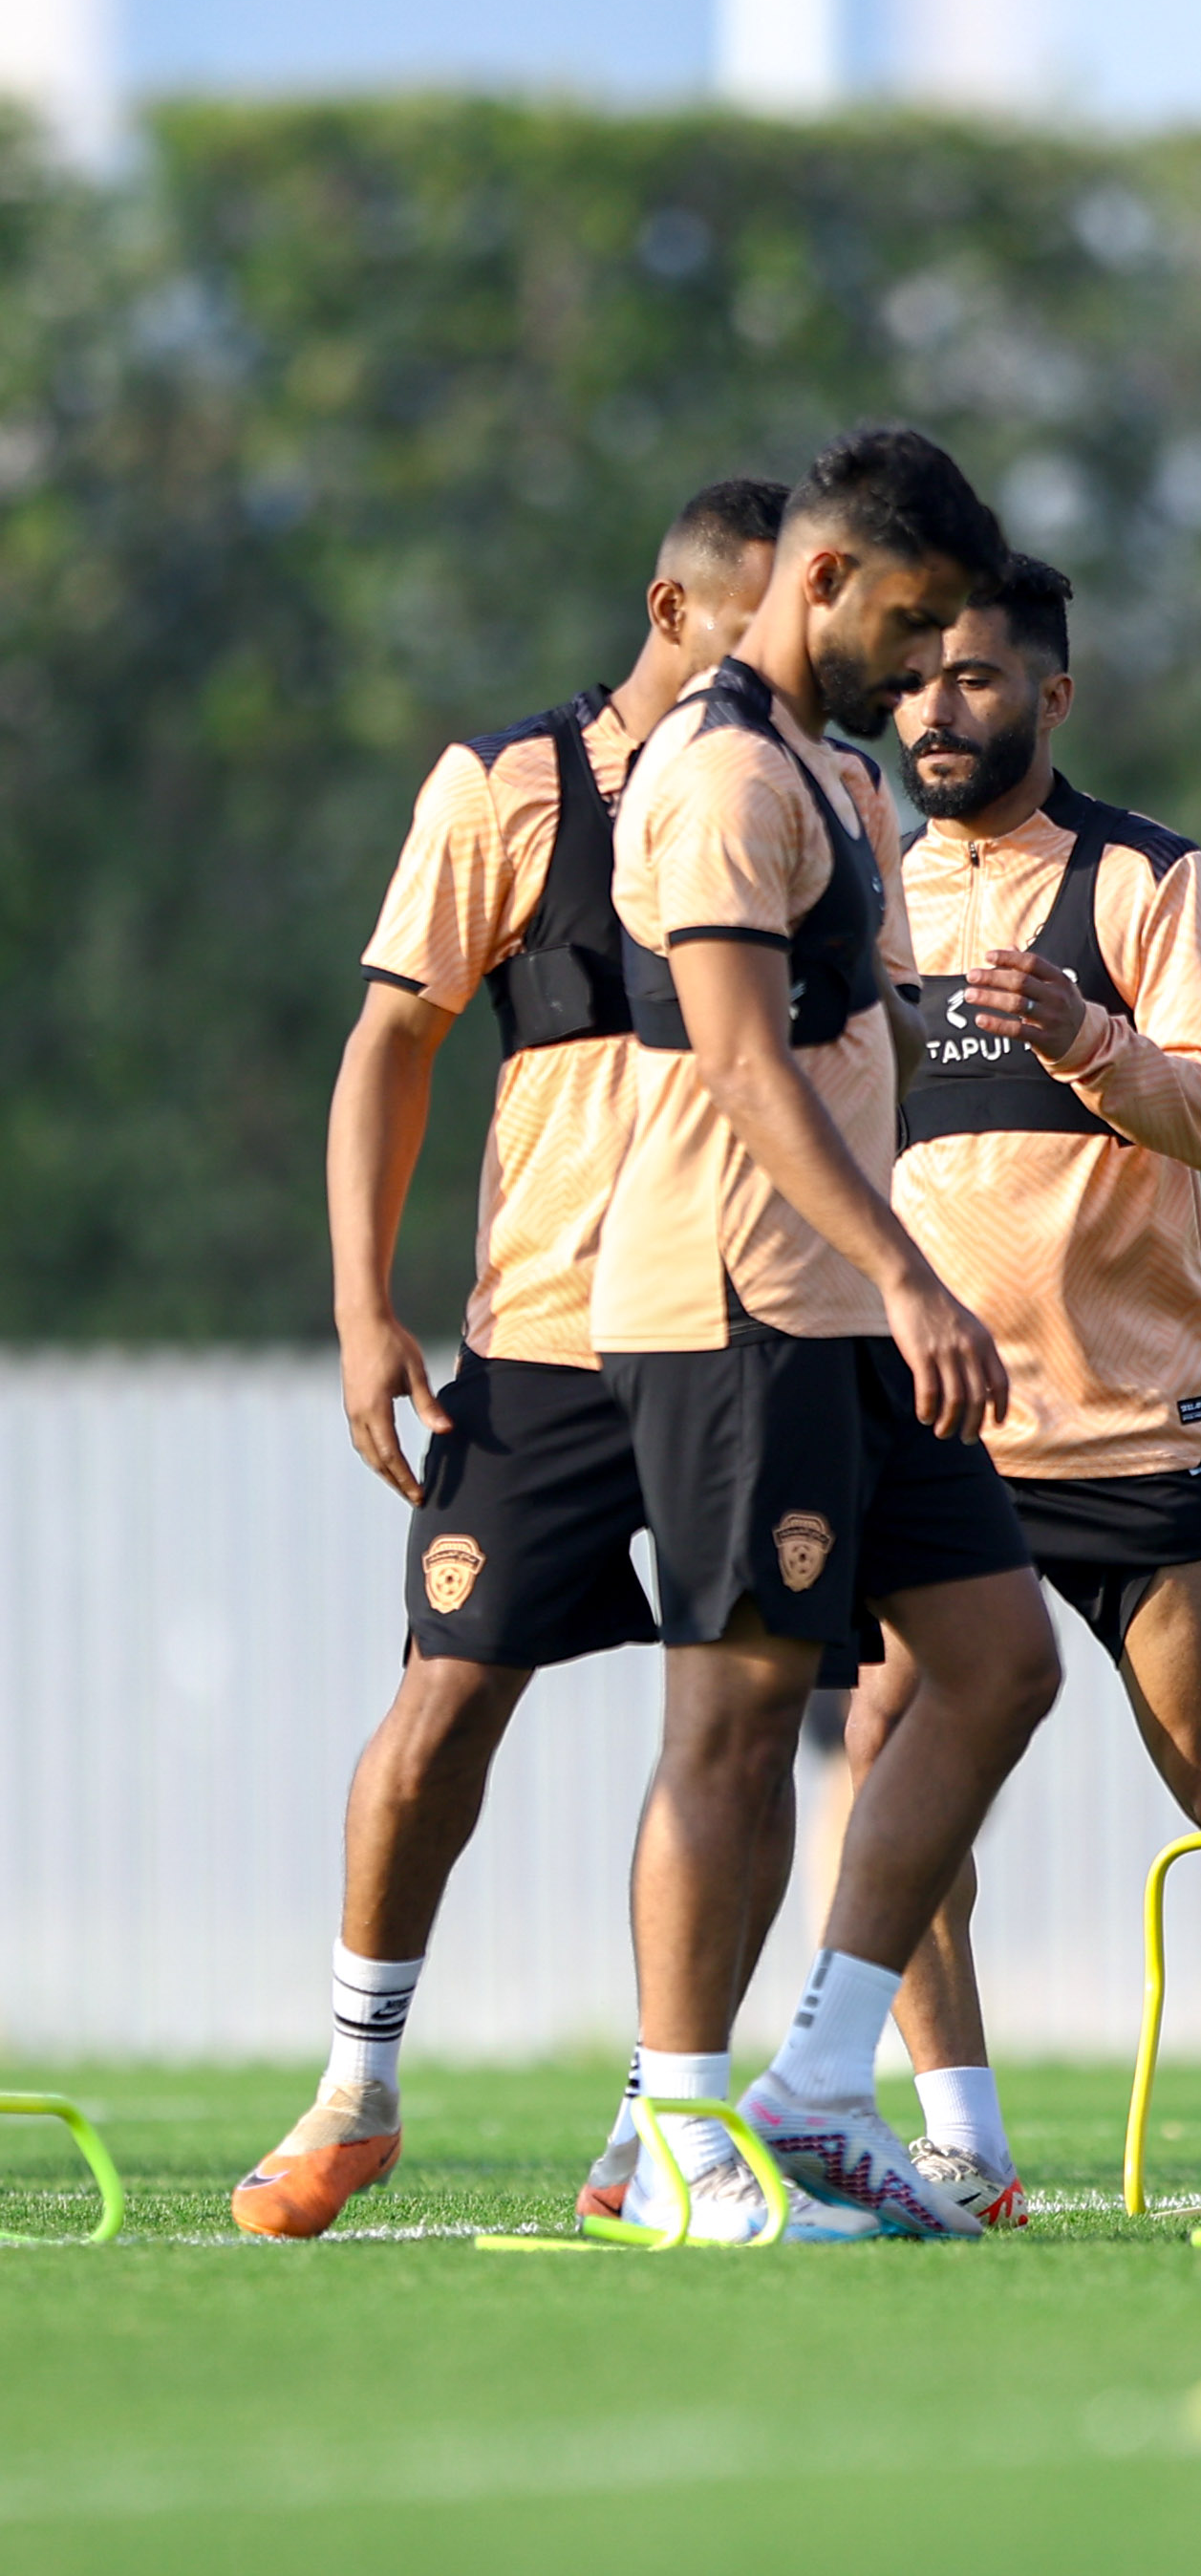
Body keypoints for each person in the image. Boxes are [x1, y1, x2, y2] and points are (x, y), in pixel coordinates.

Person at [232, 479, 789, 2240]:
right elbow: (389, 1037)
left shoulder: (808, 794)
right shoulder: (509, 787)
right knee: (441, 1700)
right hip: (545, 1338)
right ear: (674, 610)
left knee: (743, 1714)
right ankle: (357, 2078)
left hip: (749, 1328)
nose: (787, 667)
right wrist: (358, 1299)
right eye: (758, 629)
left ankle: (661, 2115)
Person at [852, 553, 1201, 2232]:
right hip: (942, 1427)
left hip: (1132, 1418)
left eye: (971, 679)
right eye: (911, 682)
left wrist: (1093, 1037)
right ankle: (962, 2139)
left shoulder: (1144, 878)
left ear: (1050, 694)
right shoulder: (867, 888)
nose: (936, 713)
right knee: (895, 1772)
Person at [593, 425, 1066, 2243]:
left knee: (996, 1659)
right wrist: (909, 1274)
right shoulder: (718, 775)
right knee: (732, 1714)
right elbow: (735, 1059)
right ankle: (673, 2133)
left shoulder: (835, 773)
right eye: (913, 613)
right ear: (821, 580)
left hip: (849, 1313)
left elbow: (854, 1035)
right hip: (739, 1301)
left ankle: (816, 2077)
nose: (934, 655)